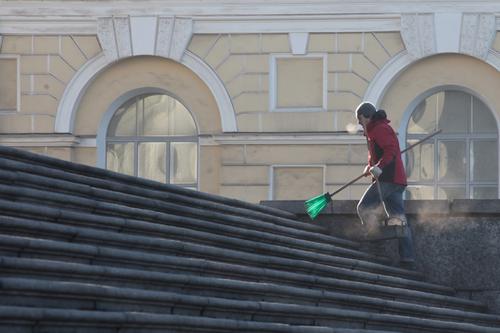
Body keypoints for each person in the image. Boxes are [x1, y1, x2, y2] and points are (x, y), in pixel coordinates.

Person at [355, 101, 416, 269]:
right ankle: (408, 259)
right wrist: (370, 166)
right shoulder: (377, 129)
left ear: (367, 116)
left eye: (360, 120)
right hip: (396, 180)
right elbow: (380, 153)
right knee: (400, 220)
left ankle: (375, 244)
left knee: (364, 208)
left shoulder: (379, 129)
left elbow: (390, 152)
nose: (360, 124)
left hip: (388, 180)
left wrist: (379, 167)